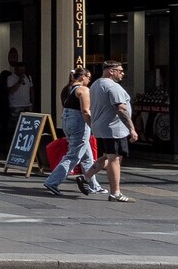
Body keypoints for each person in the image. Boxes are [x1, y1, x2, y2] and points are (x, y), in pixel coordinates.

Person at [43, 64, 105, 197]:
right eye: (88, 77)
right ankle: (52, 181)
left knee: (87, 156)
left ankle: (93, 185)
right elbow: (85, 110)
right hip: (79, 123)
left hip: (67, 120)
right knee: (74, 155)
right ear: (82, 76)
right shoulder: (83, 90)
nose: (89, 80)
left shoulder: (69, 89)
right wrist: (93, 126)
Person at [89, 60, 136, 203]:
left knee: (108, 157)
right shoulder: (112, 87)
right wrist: (132, 129)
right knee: (115, 159)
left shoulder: (96, 84)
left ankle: (85, 177)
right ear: (111, 71)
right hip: (114, 129)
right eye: (120, 70)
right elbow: (121, 109)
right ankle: (116, 193)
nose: (123, 73)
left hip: (101, 128)